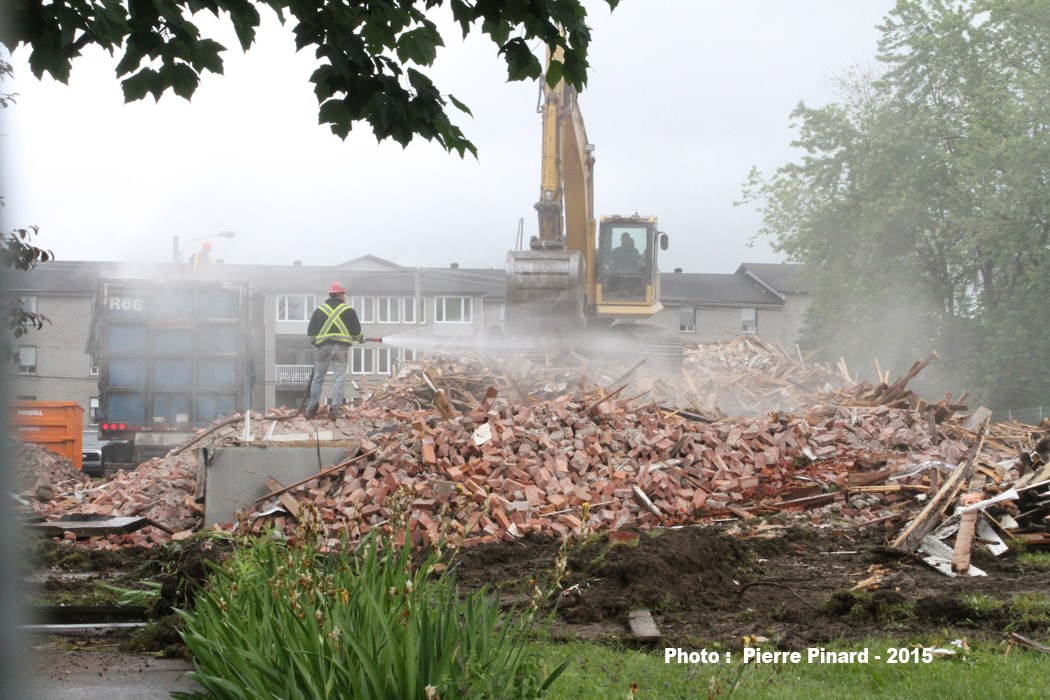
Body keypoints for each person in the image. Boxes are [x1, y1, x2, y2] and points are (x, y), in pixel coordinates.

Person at [303, 282, 363, 418]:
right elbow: (356, 332)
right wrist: (360, 338)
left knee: (317, 378)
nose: (344, 296)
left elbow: (311, 331)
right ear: (340, 295)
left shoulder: (320, 310)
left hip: (323, 348)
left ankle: (311, 409)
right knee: (339, 379)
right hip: (341, 348)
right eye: (343, 294)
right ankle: (335, 410)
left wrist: (315, 341)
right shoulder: (348, 310)